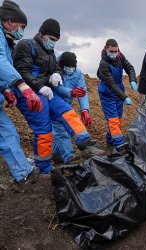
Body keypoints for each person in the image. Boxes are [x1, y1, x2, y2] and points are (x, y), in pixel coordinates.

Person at [13, 18, 94, 174]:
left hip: (47, 92)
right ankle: (44, 169)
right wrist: (39, 86)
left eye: (56, 41)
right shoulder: (26, 45)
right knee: (44, 131)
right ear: (42, 34)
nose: (53, 43)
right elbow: (21, 71)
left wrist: (56, 74)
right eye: (51, 39)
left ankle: (83, 140)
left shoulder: (50, 52)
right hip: (28, 93)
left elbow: (56, 68)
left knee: (67, 111)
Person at [0, 0, 42, 185]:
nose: (22, 31)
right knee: (7, 133)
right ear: (10, 22)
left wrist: (6, 89)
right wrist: (22, 86)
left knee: (8, 133)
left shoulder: (5, 39)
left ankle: (23, 174)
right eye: (22, 26)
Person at [53, 51, 94, 163]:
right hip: (54, 104)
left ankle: (56, 154)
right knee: (60, 130)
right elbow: (55, 88)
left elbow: (82, 92)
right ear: (61, 65)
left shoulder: (77, 73)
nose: (70, 69)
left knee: (62, 131)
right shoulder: (54, 70)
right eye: (68, 66)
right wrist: (71, 92)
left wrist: (85, 110)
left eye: (72, 66)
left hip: (66, 105)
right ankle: (70, 158)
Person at [97, 39, 137, 153]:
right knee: (113, 120)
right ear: (106, 49)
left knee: (118, 119)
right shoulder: (103, 64)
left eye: (116, 51)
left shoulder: (120, 56)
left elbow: (129, 67)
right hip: (107, 93)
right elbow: (111, 84)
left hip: (119, 90)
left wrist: (132, 80)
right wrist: (124, 97)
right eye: (111, 51)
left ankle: (110, 140)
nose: (114, 54)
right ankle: (119, 146)